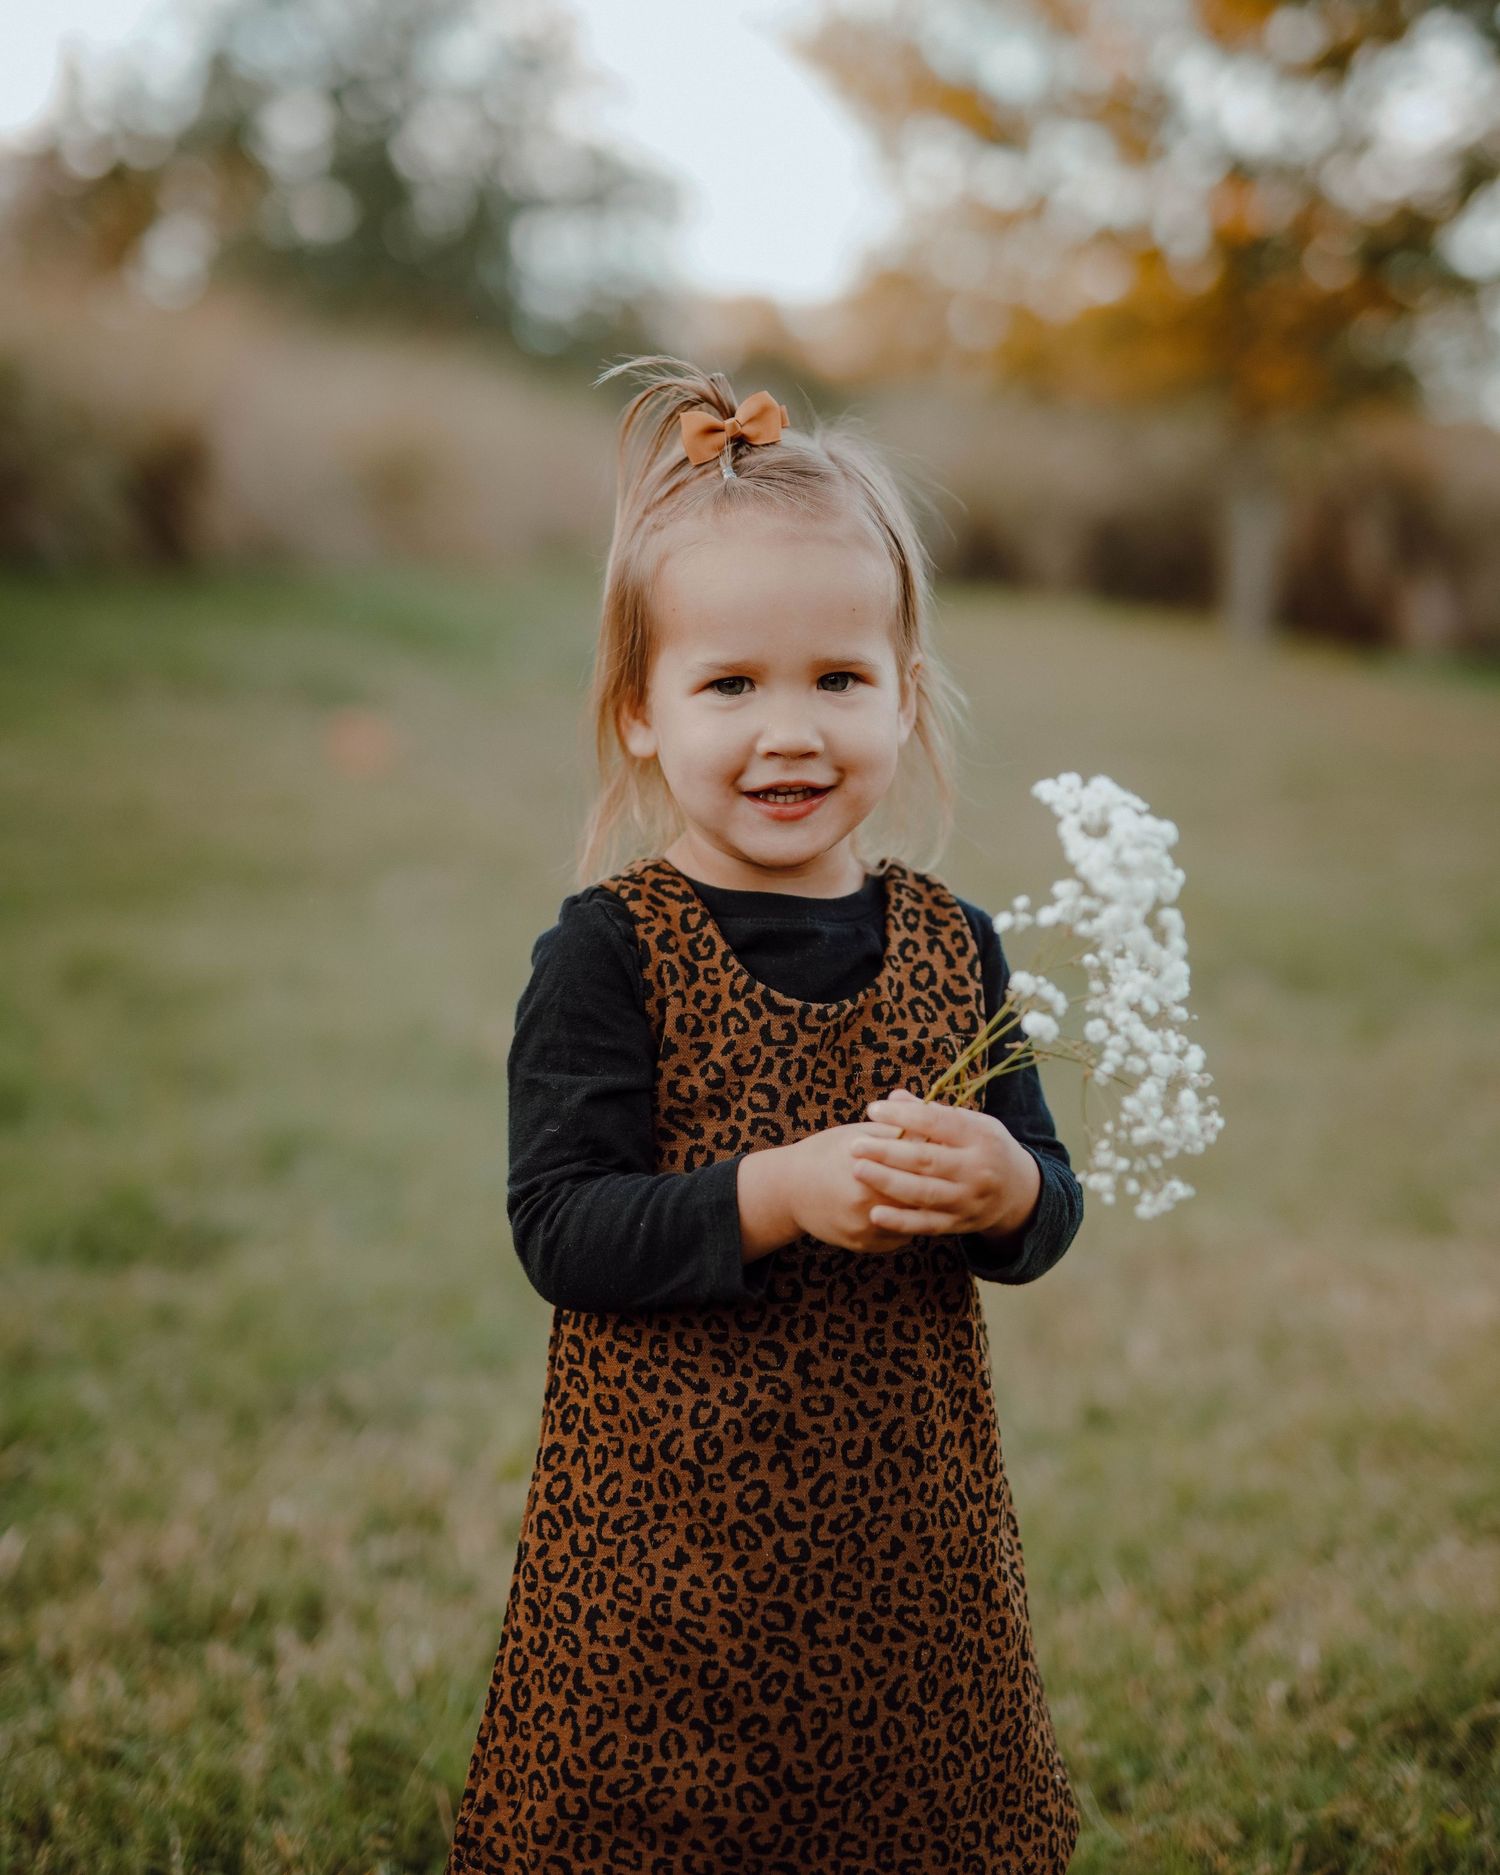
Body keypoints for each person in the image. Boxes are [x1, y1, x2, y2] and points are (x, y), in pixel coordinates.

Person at [446, 356, 1085, 1873]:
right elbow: (561, 1223)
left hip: (904, 1534)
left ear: (904, 696)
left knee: (899, 1813)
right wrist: (776, 1193)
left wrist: (1007, 1186)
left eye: (837, 681)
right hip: (666, 1547)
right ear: (644, 713)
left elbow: (1044, 1204)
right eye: (730, 684)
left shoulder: (954, 943)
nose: (788, 730)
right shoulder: (611, 949)